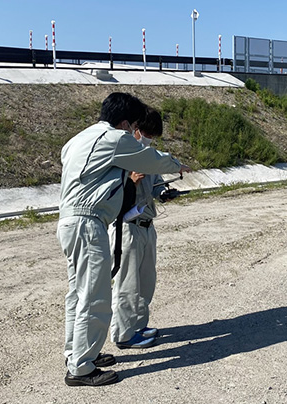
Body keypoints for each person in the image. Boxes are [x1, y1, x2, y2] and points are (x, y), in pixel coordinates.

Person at [57, 92, 191, 387]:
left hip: (70, 219)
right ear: (127, 122)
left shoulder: (77, 139)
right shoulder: (115, 138)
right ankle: (81, 368)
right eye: (133, 127)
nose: (133, 132)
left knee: (78, 294)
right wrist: (176, 164)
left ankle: (78, 354)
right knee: (95, 296)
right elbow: (150, 158)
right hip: (89, 220)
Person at [109, 107, 174, 349]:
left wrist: (165, 193)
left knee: (146, 280)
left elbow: (157, 184)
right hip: (127, 226)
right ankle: (123, 334)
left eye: (153, 135)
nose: (149, 138)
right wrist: (129, 181)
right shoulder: (121, 154)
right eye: (146, 132)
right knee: (127, 283)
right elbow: (110, 190)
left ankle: (139, 325)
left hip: (147, 225)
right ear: (135, 130)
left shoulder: (150, 156)